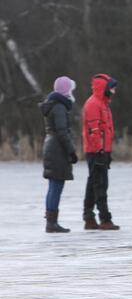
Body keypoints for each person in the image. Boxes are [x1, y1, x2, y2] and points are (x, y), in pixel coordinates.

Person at [40, 76, 79, 233]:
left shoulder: (53, 105)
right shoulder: (60, 107)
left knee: (53, 186)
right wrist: (71, 151)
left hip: (50, 146)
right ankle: (52, 223)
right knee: (56, 186)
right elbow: (62, 132)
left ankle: (51, 221)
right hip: (57, 149)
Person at [82, 73, 120, 229]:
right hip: (96, 151)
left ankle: (89, 216)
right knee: (100, 184)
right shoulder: (93, 104)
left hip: (103, 150)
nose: (114, 91)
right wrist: (100, 150)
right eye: (112, 88)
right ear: (104, 88)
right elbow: (94, 130)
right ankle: (104, 218)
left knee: (94, 183)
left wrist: (107, 151)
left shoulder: (103, 104)